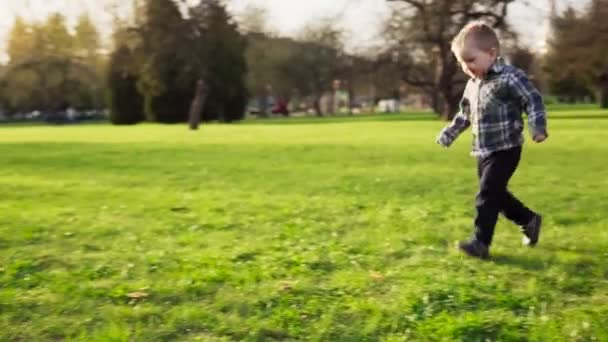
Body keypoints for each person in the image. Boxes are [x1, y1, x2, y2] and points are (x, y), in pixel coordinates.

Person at [436, 21, 548, 260]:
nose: (467, 68)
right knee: (496, 195)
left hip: (507, 148)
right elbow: (465, 115)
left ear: (492, 54)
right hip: (483, 150)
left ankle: (481, 243)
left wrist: (537, 127)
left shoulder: (510, 77)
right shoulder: (472, 85)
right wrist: (450, 133)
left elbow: (532, 99)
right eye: (462, 63)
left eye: (471, 60)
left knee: (486, 194)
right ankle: (529, 220)